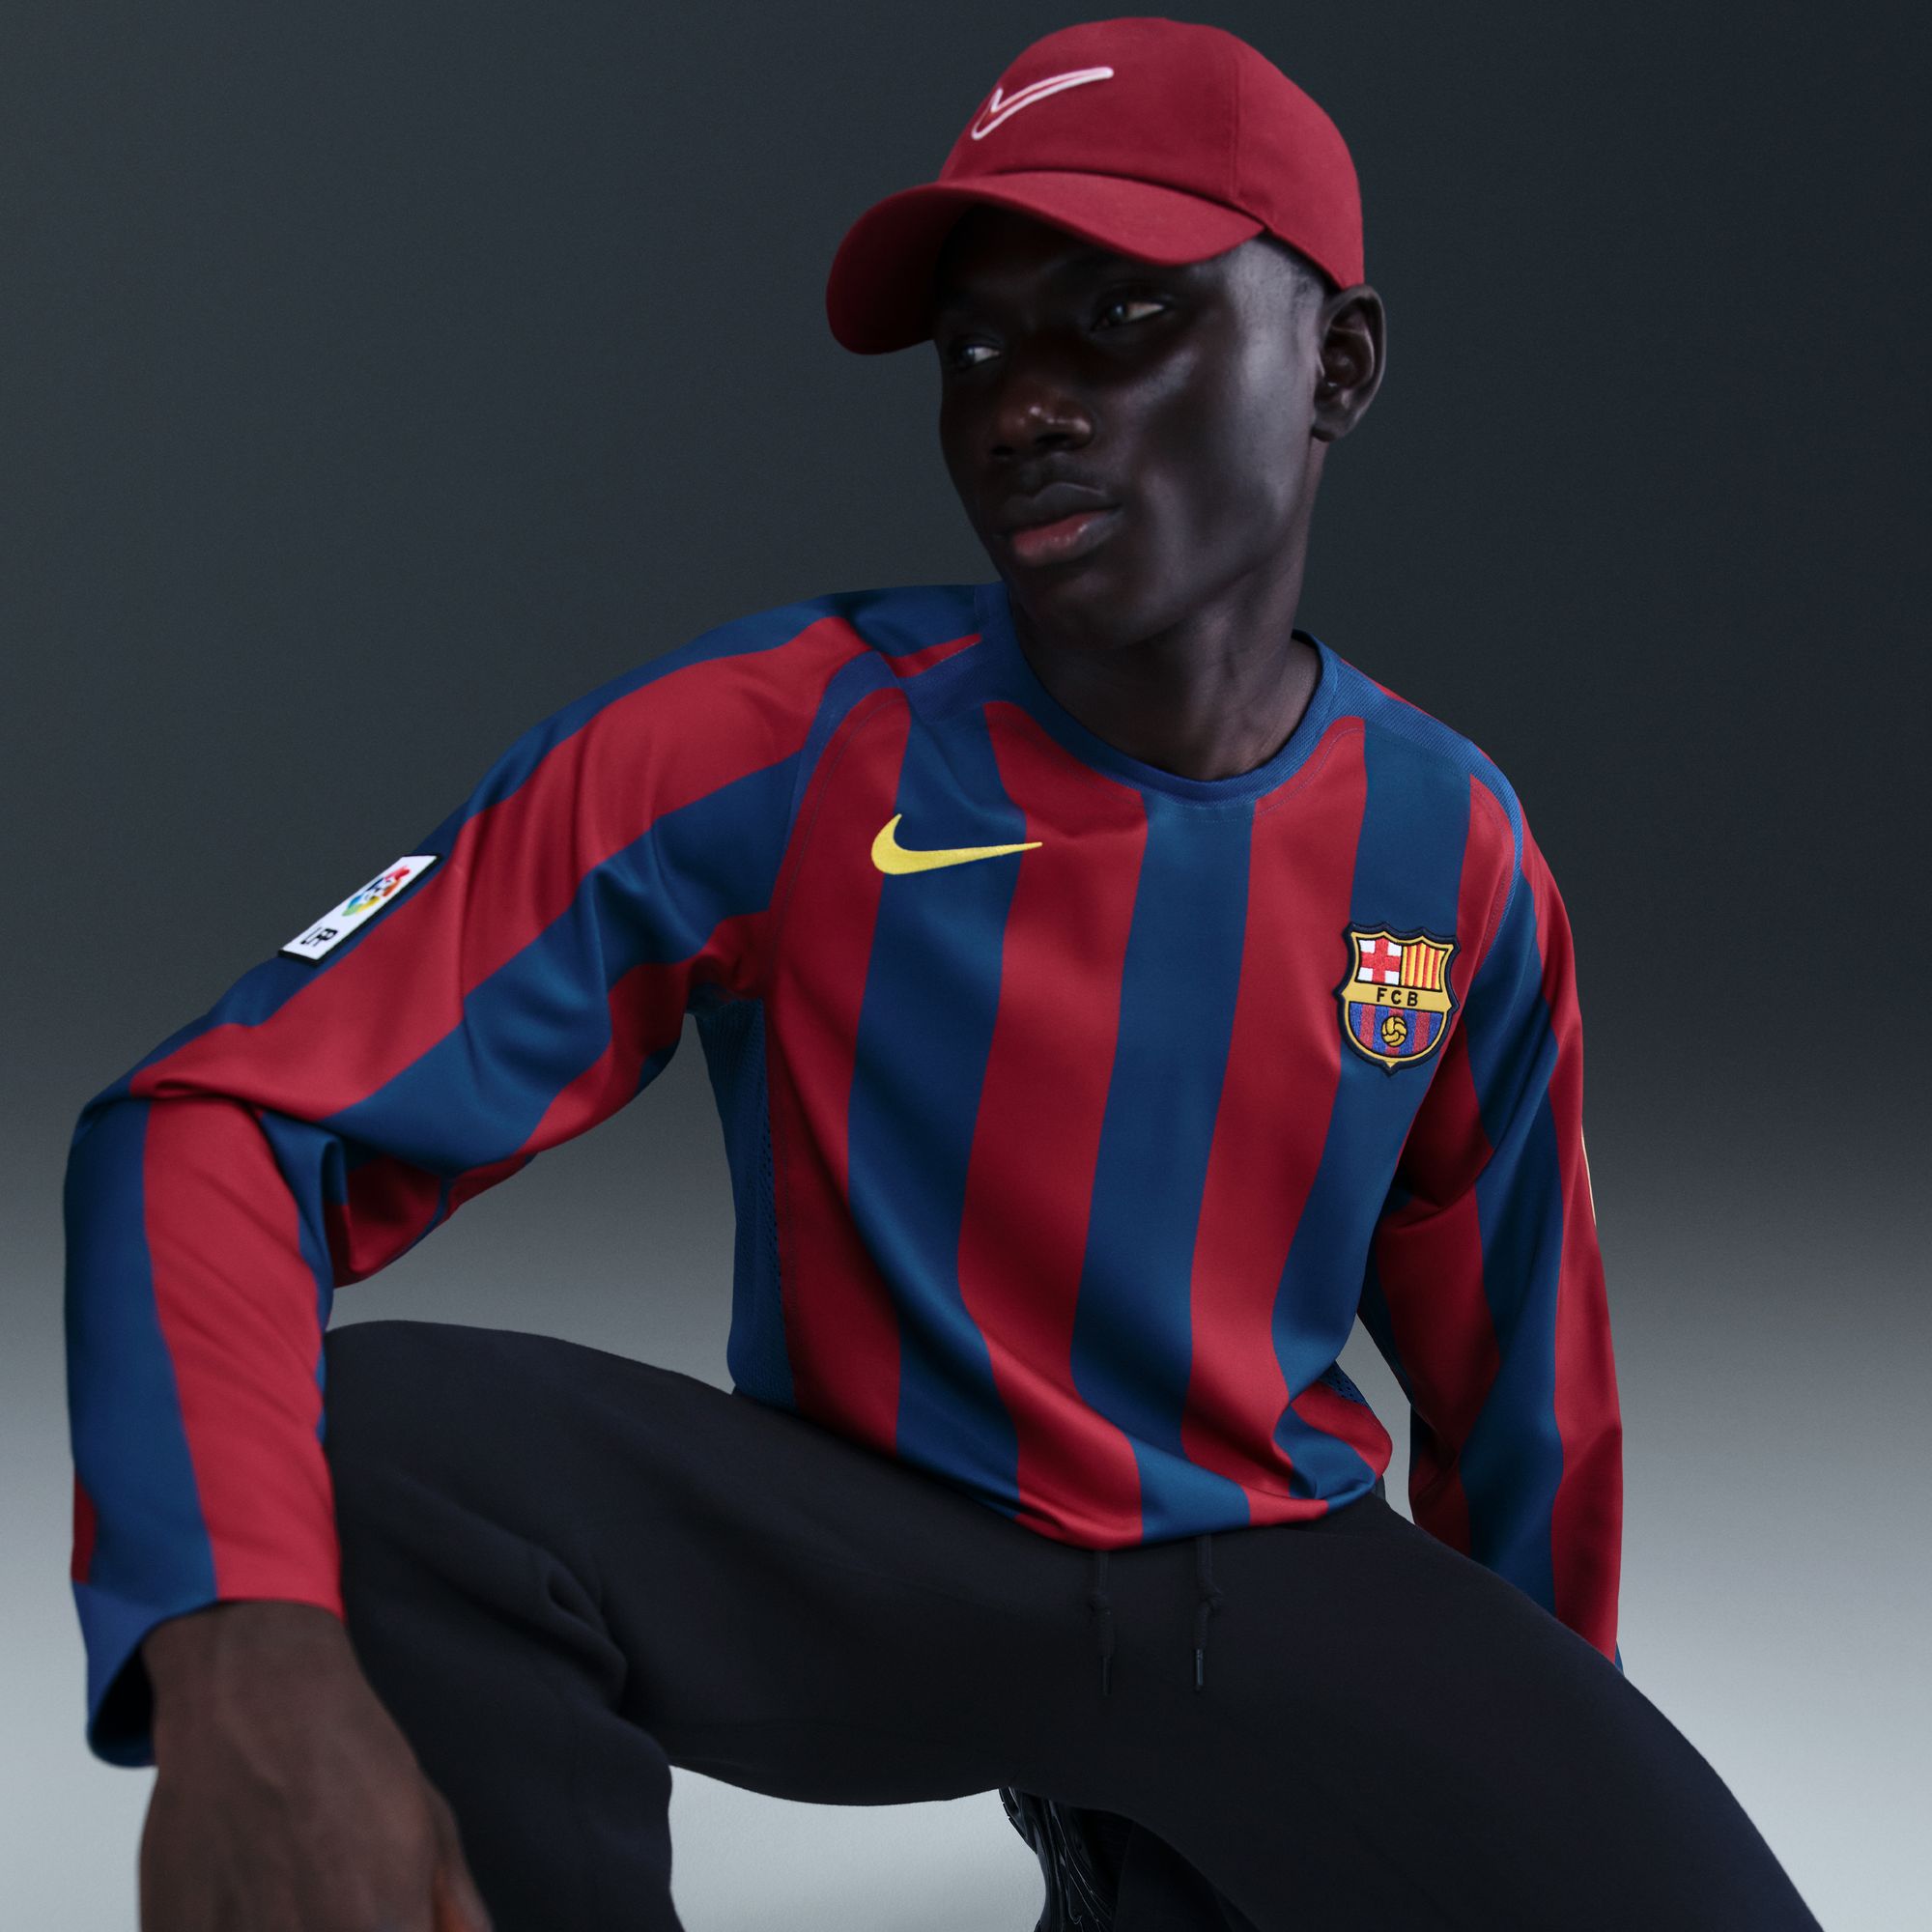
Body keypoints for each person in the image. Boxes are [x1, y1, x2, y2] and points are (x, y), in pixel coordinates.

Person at [62, 17, 1824, 1931]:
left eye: (1118, 316)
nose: (1022, 406)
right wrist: (239, 1655)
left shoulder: (1448, 842)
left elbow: (1520, 1401)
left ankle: (1154, 1854)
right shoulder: (774, 745)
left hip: (1264, 1581)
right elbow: (212, 1124)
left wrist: (1517, 1791)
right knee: (382, 1448)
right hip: (878, 1574)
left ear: (1336, 362)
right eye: (975, 349)